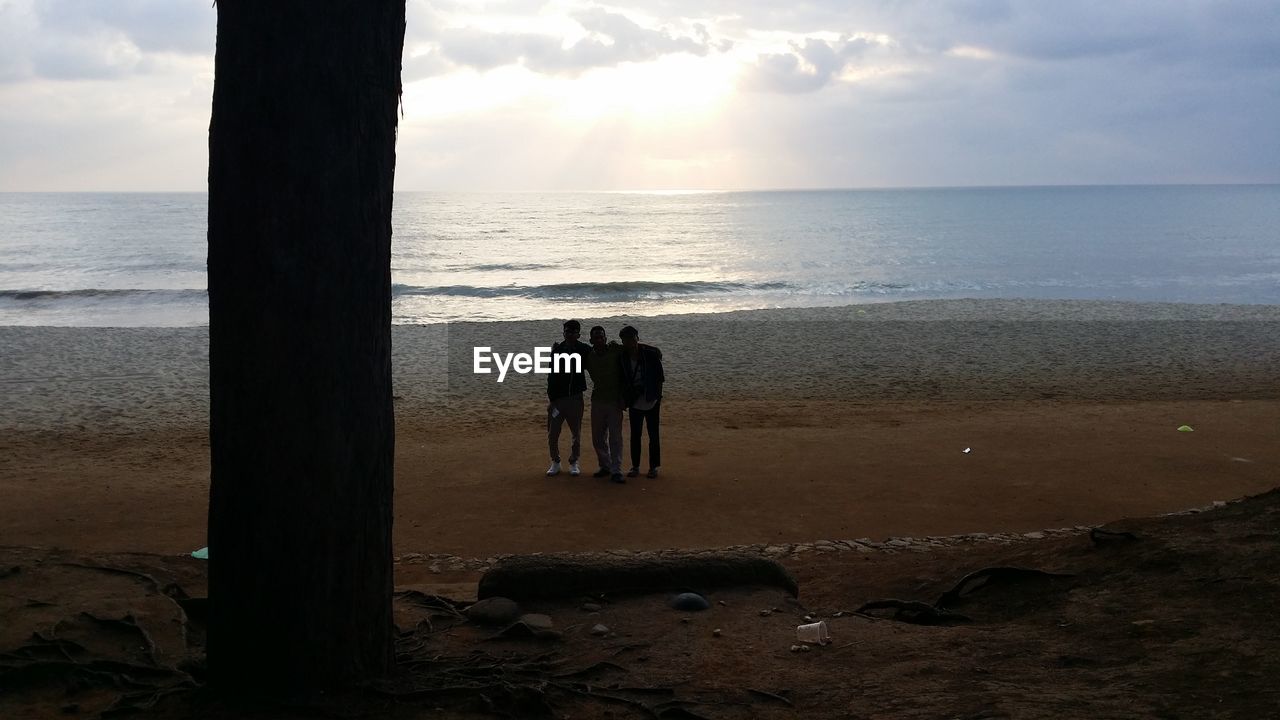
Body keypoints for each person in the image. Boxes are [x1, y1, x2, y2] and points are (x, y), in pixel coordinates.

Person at [546, 319, 590, 476]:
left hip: (575, 399)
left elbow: (602, 351)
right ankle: (555, 462)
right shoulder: (558, 350)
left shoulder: (584, 349)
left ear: (578, 334)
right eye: (566, 332)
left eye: (572, 332)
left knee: (576, 433)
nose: (569, 335)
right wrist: (551, 400)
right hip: (558, 400)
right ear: (563, 333)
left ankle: (574, 462)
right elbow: (551, 376)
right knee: (552, 433)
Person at [583, 325, 627, 484]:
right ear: (591, 340)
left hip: (614, 401)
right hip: (597, 401)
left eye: (601, 337)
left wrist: (653, 349)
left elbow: (632, 346)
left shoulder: (615, 350)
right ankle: (605, 465)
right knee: (597, 438)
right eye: (596, 337)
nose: (599, 340)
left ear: (606, 338)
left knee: (615, 438)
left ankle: (616, 470)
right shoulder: (589, 357)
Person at [620, 325, 664, 479]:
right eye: (626, 340)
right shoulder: (623, 356)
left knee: (653, 435)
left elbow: (660, 377)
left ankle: (653, 467)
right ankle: (635, 466)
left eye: (632, 339)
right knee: (635, 435)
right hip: (635, 402)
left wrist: (657, 396)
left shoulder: (650, 355)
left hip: (651, 399)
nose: (629, 342)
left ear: (637, 338)